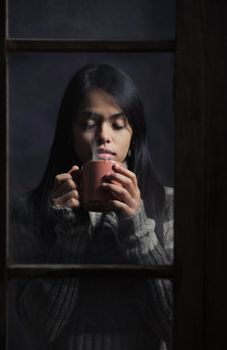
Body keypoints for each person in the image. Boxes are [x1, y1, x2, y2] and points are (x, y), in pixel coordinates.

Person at [10, 63, 173, 350]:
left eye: (118, 124)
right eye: (88, 124)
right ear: (70, 135)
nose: (103, 136)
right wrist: (69, 235)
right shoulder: (28, 210)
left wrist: (137, 225)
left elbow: (176, 323)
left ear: (133, 139)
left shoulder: (171, 206)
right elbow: (39, 328)